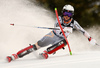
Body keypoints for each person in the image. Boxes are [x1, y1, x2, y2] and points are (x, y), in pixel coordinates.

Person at [6, 4, 97, 62]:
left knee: (65, 41)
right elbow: (57, 26)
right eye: (65, 13)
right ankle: (16, 55)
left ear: (72, 15)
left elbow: (83, 31)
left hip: (61, 39)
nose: (66, 16)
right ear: (62, 13)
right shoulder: (59, 18)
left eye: (69, 14)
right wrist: (65, 29)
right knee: (37, 45)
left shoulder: (74, 23)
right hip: (53, 35)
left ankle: (46, 52)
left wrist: (90, 38)